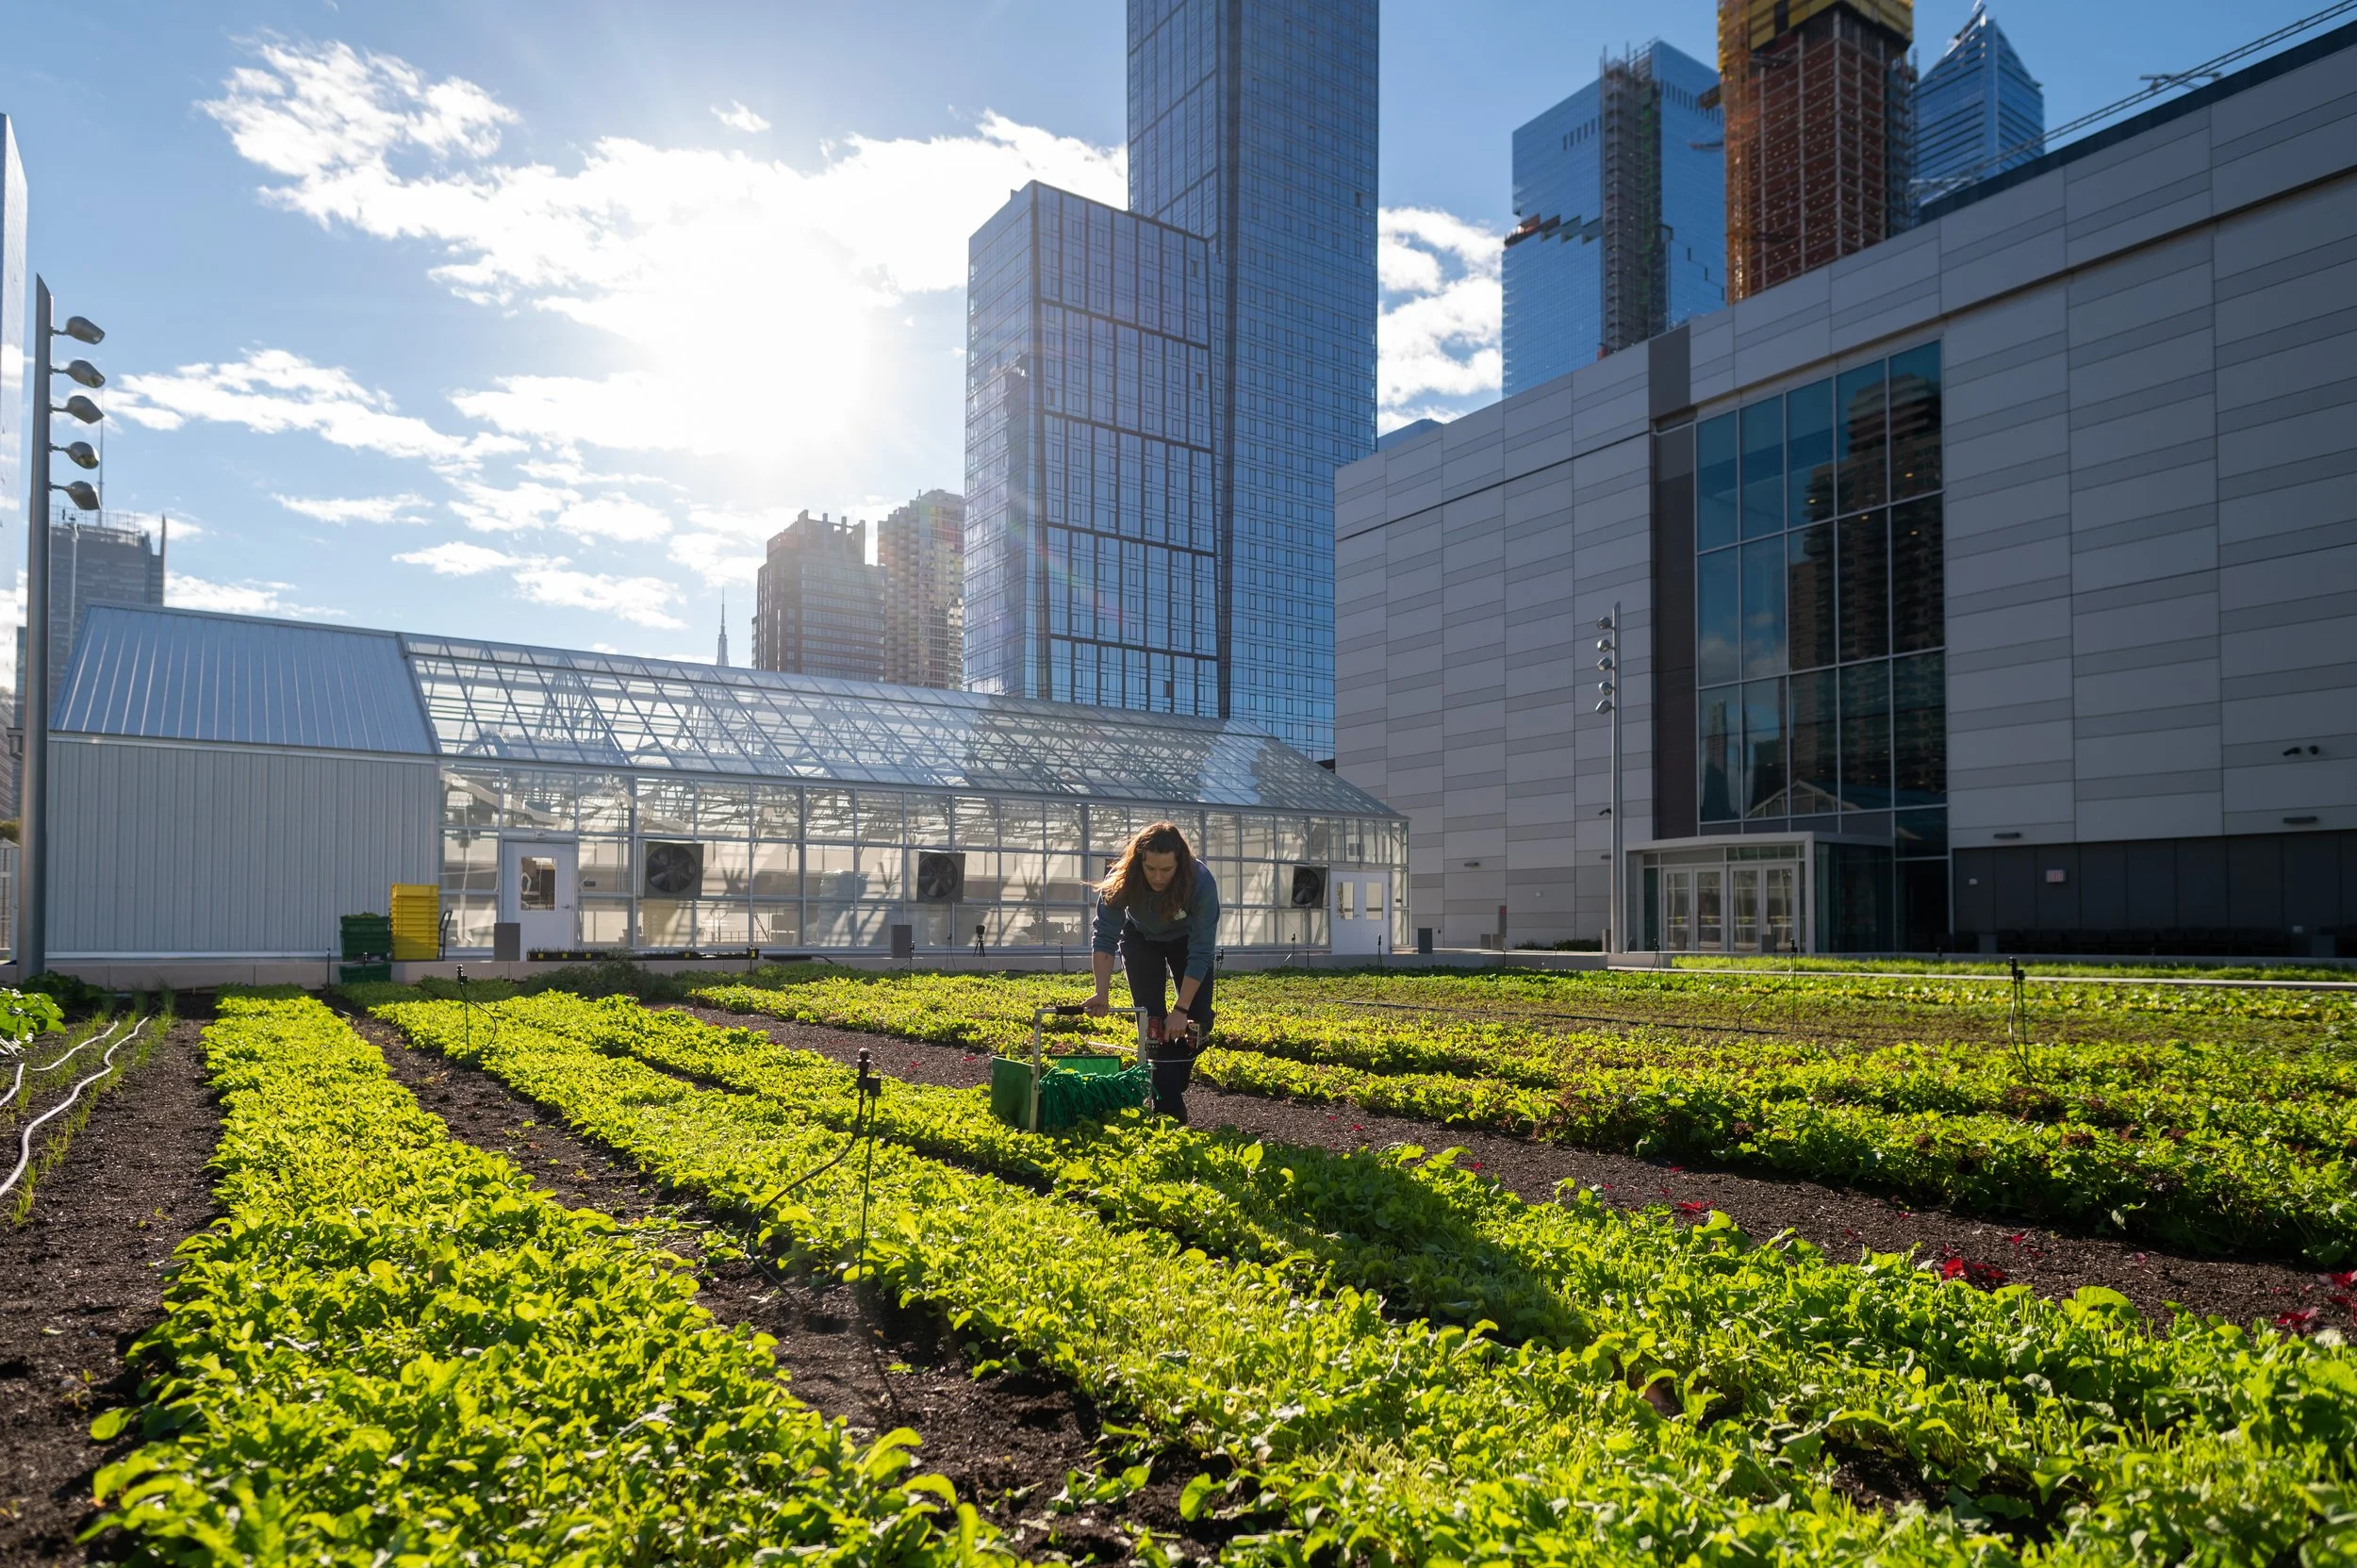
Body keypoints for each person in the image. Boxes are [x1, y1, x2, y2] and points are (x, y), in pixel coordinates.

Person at [1084, 820, 1219, 1122]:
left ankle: (1174, 1067)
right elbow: (1105, 937)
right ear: (1138, 863)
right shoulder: (1120, 879)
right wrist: (1101, 993)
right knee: (1153, 1025)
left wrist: (1182, 1009)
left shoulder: (1200, 882)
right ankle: (1170, 1112)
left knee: (1197, 1022)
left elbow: (1201, 952)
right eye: (1151, 869)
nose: (1158, 877)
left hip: (1186, 941)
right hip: (1141, 938)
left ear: (1179, 864)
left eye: (1166, 870)